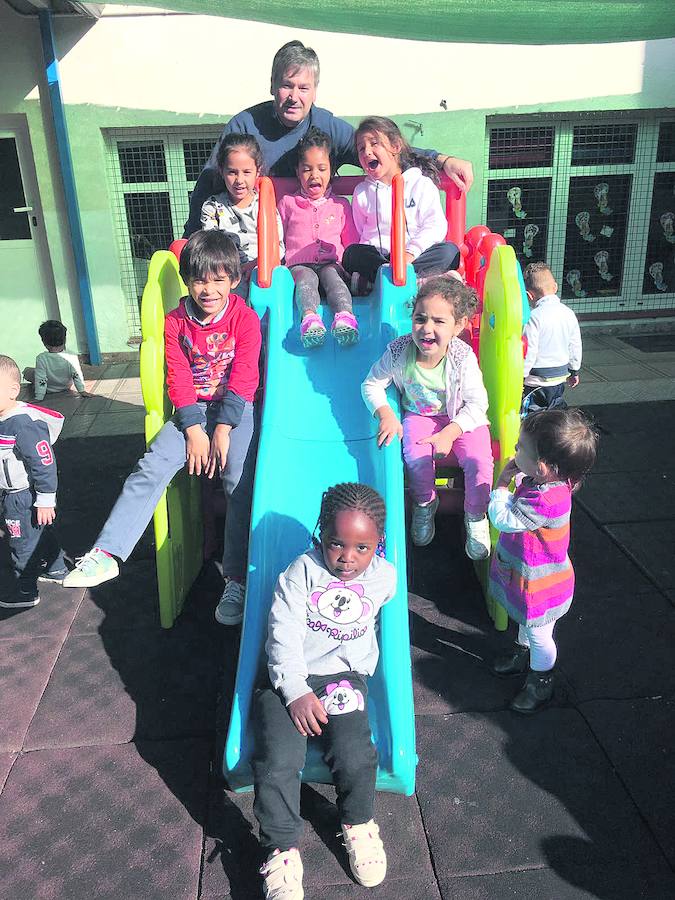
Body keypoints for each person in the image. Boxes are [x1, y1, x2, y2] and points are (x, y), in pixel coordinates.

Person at [63, 232, 261, 627]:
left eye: (219, 279)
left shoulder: (244, 318)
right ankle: (107, 552)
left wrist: (223, 428)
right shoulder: (176, 322)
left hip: (233, 410)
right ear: (188, 280)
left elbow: (244, 375)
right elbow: (179, 377)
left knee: (239, 480)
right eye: (200, 280)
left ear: (235, 280)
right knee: (152, 464)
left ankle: (236, 578)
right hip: (193, 411)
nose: (209, 289)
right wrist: (192, 430)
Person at [253, 482, 395, 900]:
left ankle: (358, 823)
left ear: (378, 545)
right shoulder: (300, 573)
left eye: (362, 548)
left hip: (342, 679)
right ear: (321, 534)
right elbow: (282, 634)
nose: (348, 558)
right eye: (337, 544)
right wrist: (294, 690)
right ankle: (281, 849)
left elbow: (386, 629)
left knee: (355, 751)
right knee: (278, 759)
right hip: (287, 679)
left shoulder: (385, 578)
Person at [183, 40, 474, 237]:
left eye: (304, 88)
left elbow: (384, 153)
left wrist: (441, 159)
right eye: (287, 86)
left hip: (316, 239)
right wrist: (193, 239)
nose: (294, 97)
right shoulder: (245, 126)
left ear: (315, 89)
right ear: (273, 85)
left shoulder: (327, 126)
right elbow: (209, 181)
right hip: (261, 241)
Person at [361, 277, 493, 558]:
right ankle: (425, 504)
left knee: (478, 459)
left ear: (459, 326)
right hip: (421, 415)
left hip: (462, 418)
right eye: (420, 319)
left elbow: (478, 403)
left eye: (439, 321)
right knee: (415, 455)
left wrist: (450, 433)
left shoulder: (462, 357)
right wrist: (385, 414)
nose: (427, 329)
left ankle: (475, 514)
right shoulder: (399, 351)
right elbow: (371, 384)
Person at [488, 408, 598, 714]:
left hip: (542, 583)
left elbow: (504, 518)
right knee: (527, 619)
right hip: (530, 574)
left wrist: (500, 487)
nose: (514, 450)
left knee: (539, 632)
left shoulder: (547, 499)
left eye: (521, 447)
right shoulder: (547, 482)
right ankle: (522, 653)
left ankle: (541, 679)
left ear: (545, 466)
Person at [343, 117, 459, 291]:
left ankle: (377, 283)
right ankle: (419, 281)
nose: (367, 152)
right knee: (352, 254)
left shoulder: (421, 184)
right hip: (381, 258)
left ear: (396, 147)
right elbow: (361, 231)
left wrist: (409, 253)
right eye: (361, 148)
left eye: (374, 143)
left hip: (415, 257)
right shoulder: (362, 192)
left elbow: (435, 225)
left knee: (450, 252)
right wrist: (389, 261)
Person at [277, 128, 360, 348]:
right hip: (299, 266)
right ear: (297, 171)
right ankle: (310, 319)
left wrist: (352, 268)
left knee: (333, 279)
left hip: (332, 264)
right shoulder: (287, 203)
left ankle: (344, 316)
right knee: (306, 281)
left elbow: (350, 241)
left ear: (331, 170)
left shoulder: (340, 205)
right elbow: (278, 237)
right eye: (307, 169)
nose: (315, 175)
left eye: (322, 168)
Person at [0, 355, 67, 609]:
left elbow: (44, 463)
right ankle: (56, 568)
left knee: (20, 542)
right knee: (39, 530)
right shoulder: (4, 419)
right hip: (11, 494)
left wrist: (46, 499)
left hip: (22, 496)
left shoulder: (24, 424)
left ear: (13, 391)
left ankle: (25, 590)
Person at [200, 133, 284, 301]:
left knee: (263, 287)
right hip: (226, 271)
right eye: (232, 172)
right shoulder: (213, 207)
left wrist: (256, 264)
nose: (239, 180)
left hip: (261, 268)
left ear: (257, 172)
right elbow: (211, 247)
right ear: (222, 171)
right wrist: (232, 269)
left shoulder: (265, 205)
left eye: (247, 172)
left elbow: (278, 247)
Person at [521, 262, 582, 415]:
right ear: (555, 287)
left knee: (532, 419)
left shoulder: (533, 317)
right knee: (554, 417)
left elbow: (530, 351)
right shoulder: (568, 313)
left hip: (536, 382)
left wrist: (521, 376)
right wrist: (574, 371)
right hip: (559, 378)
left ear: (529, 295)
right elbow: (575, 345)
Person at [22, 320, 92, 401]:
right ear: (64, 339)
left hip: (49, 389)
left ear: (44, 342)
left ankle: (33, 385)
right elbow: (77, 375)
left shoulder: (41, 358)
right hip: (65, 387)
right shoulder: (72, 356)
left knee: (28, 371)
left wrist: (39, 397)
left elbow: (41, 379)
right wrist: (82, 391)